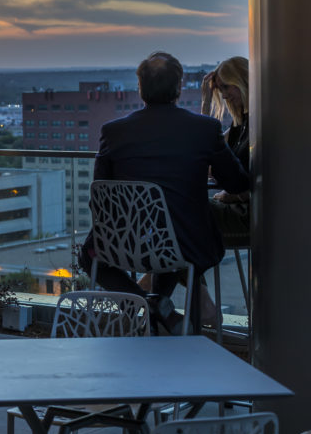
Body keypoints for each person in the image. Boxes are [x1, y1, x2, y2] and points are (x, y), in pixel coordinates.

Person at [79, 52, 248, 334]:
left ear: (140, 89)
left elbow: (100, 199)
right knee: (172, 241)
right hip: (187, 245)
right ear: (179, 88)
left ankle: (147, 305)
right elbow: (237, 184)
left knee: (89, 254)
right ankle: (156, 306)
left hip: (127, 242)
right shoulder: (204, 130)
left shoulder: (112, 132)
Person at [201, 56, 250, 237]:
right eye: (220, 89)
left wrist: (234, 196)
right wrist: (206, 103)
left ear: (242, 81)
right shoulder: (241, 123)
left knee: (181, 207)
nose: (223, 95)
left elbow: (272, 183)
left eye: (226, 87)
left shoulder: (262, 122)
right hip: (241, 207)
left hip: (249, 213)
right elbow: (209, 147)